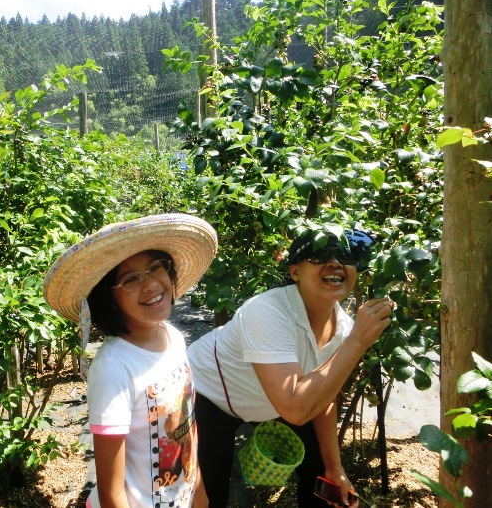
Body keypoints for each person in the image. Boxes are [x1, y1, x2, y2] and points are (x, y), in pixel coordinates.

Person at [187, 227, 393, 508]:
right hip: (208, 394)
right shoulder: (267, 311)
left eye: (346, 256)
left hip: (272, 397)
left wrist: (335, 469)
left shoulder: (344, 328)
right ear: (295, 272)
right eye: (320, 255)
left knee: (322, 476)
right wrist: (359, 340)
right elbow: (295, 409)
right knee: (210, 492)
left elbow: (322, 397)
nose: (335, 263)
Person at [43, 213, 218, 508]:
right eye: (130, 279)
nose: (149, 284)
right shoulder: (114, 367)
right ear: (108, 300)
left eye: (155, 268)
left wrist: (199, 494)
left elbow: (187, 430)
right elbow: (112, 493)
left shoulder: (173, 338)